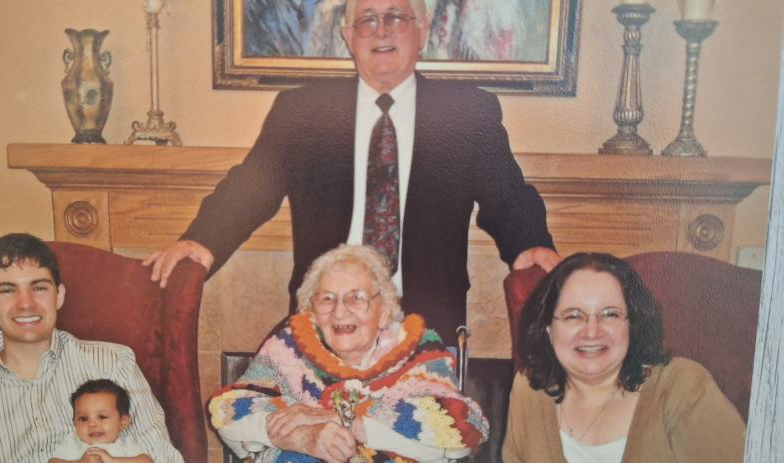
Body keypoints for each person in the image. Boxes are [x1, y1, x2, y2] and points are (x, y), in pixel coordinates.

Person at [144, 0, 559, 346]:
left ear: (422, 30)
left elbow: (506, 196)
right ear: (348, 37)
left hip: (425, 325)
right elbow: (252, 186)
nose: (382, 31)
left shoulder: (465, 113)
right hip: (327, 319)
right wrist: (202, 239)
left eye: (396, 17)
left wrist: (532, 244)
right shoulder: (303, 111)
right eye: (367, 20)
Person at [208, 244, 489, 463]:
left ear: (385, 311)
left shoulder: (418, 352)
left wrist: (343, 422)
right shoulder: (288, 350)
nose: (340, 311)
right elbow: (229, 412)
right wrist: (304, 438)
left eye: (357, 297)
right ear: (312, 311)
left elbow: (460, 431)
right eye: (327, 299)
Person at [0, 233, 185, 463]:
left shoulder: (114, 364)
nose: (25, 303)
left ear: (59, 295)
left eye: (39, 287)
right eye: (8, 290)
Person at [502, 253, 746, 463]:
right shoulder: (528, 393)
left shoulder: (682, 387)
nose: (591, 331)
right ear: (547, 328)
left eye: (610, 314)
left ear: (632, 324)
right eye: (573, 315)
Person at [48, 379, 155, 463]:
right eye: (83, 418)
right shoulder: (73, 442)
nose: (92, 424)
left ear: (123, 422)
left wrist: (112, 461)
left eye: (102, 417)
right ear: (74, 423)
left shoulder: (126, 444)